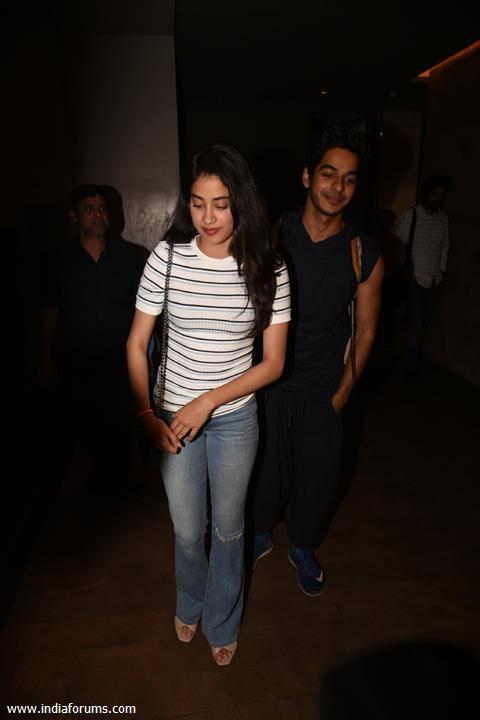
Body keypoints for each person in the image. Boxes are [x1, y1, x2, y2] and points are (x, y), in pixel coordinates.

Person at [126, 144, 290, 666]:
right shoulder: (168, 259)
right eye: (198, 203)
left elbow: (273, 364)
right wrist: (147, 415)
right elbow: (135, 345)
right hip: (172, 420)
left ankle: (222, 618)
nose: (209, 217)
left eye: (221, 203)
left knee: (229, 528)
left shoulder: (268, 267)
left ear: (241, 202)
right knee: (185, 529)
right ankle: (189, 602)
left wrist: (209, 402)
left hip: (235, 420)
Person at [252, 123, 384, 597]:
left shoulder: (362, 252)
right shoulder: (274, 232)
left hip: (323, 388)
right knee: (264, 470)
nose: (338, 188)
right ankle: (262, 532)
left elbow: (366, 329)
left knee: (318, 480)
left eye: (349, 179)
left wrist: (344, 391)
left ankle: (303, 545)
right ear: (308, 176)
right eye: (329, 174)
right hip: (268, 382)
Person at [38, 184, 148, 496]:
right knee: (85, 429)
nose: (98, 215)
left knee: (120, 428)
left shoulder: (132, 258)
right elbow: (48, 315)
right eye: (89, 208)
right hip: (77, 363)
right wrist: (44, 362)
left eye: (102, 208)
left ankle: (118, 489)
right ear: (74, 216)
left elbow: (148, 314)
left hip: (121, 363)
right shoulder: (58, 261)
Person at [394, 173, 452, 376]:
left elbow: (445, 247)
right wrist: (404, 269)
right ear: (426, 194)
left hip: (435, 280)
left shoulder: (443, 218)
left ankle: (410, 359)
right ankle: (409, 369)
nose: (438, 198)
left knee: (420, 326)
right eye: (435, 194)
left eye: (441, 195)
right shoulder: (412, 215)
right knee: (417, 327)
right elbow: (398, 245)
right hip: (415, 280)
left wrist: (442, 271)